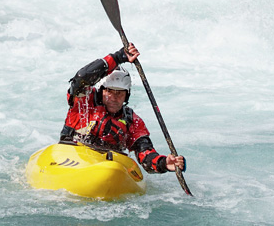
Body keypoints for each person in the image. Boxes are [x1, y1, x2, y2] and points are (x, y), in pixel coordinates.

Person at [60, 44, 185, 174]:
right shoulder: (84, 101)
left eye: (120, 93)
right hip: (72, 155)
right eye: (109, 91)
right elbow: (81, 77)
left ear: (127, 95)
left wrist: (163, 163)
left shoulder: (132, 120)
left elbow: (145, 153)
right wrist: (118, 57)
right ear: (101, 91)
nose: (114, 98)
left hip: (108, 167)